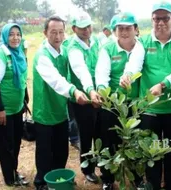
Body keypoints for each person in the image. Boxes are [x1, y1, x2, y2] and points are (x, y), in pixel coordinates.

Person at [120, 2, 171, 189]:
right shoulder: (142, 42)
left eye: (165, 18)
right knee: (150, 150)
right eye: (156, 18)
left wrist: (163, 84)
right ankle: (153, 184)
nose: (161, 22)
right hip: (149, 108)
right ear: (152, 20)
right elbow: (134, 62)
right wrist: (127, 75)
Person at [32, 16, 90, 190]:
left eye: (60, 32)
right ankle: (41, 182)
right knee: (44, 151)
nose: (57, 36)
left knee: (61, 150)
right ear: (45, 33)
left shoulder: (64, 52)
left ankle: (58, 178)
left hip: (60, 110)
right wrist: (73, 91)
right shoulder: (41, 56)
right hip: (45, 112)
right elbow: (56, 80)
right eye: (53, 32)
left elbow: (74, 74)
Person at [96, 12, 144, 190]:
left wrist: (129, 76)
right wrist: (103, 91)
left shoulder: (141, 46)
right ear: (115, 30)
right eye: (120, 28)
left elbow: (135, 65)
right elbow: (102, 74)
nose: (124, 32)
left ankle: (138, 178)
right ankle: (108, 179)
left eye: (128, 28)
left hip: (135, 104)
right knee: (108, 140)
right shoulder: (107, 49)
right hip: (112, 104)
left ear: (136, 29)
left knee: (135, 140)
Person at [0, 23, 29, 187]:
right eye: (11, 34)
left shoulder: (18, 54)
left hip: (16, 108)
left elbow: (23, 79)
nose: (15, 37)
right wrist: (0, 109)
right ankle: (9, 178)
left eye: (18, 34)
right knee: (6, 145)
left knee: (16, 142)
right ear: (4, 36)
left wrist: (24, 99)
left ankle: (14, 171)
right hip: (0, 110)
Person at [66, 14, 102, 184]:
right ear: (74, 29)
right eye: (82, 27)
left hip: (99, 95)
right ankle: (87, 168)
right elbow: (81, 70)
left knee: (100, 132)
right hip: (83, 99)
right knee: (86, 134)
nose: (86, 30)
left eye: (88, 26)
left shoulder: (96, 41)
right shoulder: (73, 47)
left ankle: (103, 164)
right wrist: (90, 90)